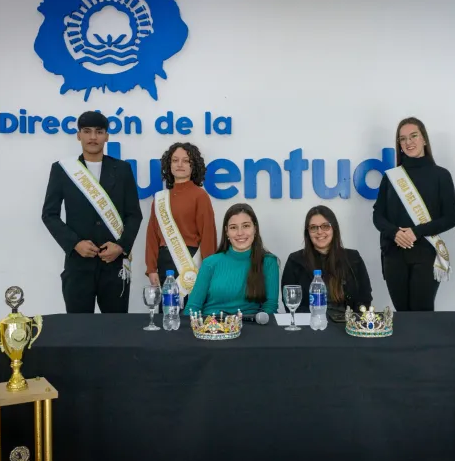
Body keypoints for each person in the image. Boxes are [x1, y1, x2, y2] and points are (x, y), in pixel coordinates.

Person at [41, 111, 143, 314]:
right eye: (87, 131)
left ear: (107, 136)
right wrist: (74, 243)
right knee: (78, 329)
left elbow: (134, 215)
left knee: (116, 328)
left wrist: (121, 247)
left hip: (113, 265)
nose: (93, 137)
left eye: (99, 132)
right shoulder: (63, 170)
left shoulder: (122, 169)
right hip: (78, 266)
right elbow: (49, 214)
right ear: (78, 135)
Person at [372, 117, 455, 312]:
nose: (408, 142)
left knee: (422, 315)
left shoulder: (441, 175)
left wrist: (416, 232)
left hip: (426, 253)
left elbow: (450, 217)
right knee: (401, 316)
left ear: (424, 139)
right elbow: (378, 215)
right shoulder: (391, 177)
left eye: (413, 136)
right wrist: (394, 233)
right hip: (394, 254)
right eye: (403, 139)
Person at [144, 142, 217, 306]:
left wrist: (209, 269)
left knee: (193, 310)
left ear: (193, 166)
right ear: (168, 165)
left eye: (186, 161)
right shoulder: (160, 198)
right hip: (165, 262)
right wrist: (151, 268)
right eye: (175, 160)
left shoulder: (200, 196)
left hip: (192, 261)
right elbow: (152, 236)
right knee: (167, 311)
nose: (180, 164)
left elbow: (208, 235)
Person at [183, 203, 279, 317]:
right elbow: (193, 307)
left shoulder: (269, 262)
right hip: (211, 324)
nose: (240, 233)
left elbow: (270, 307)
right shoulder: (210, 263)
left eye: (246, 226)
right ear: (226, 232)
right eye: (233, 227)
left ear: (255, 228)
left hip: (250, 324)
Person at [281, 206, 372, 316]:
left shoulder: (353, 258)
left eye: (325, 226)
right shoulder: (295, 261)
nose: (319, 232)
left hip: (346, 322)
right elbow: (290, 302)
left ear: (334, 228)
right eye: (313, 228)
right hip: (309, 323)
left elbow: (365, 298)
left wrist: (354, 321)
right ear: (308, 232)